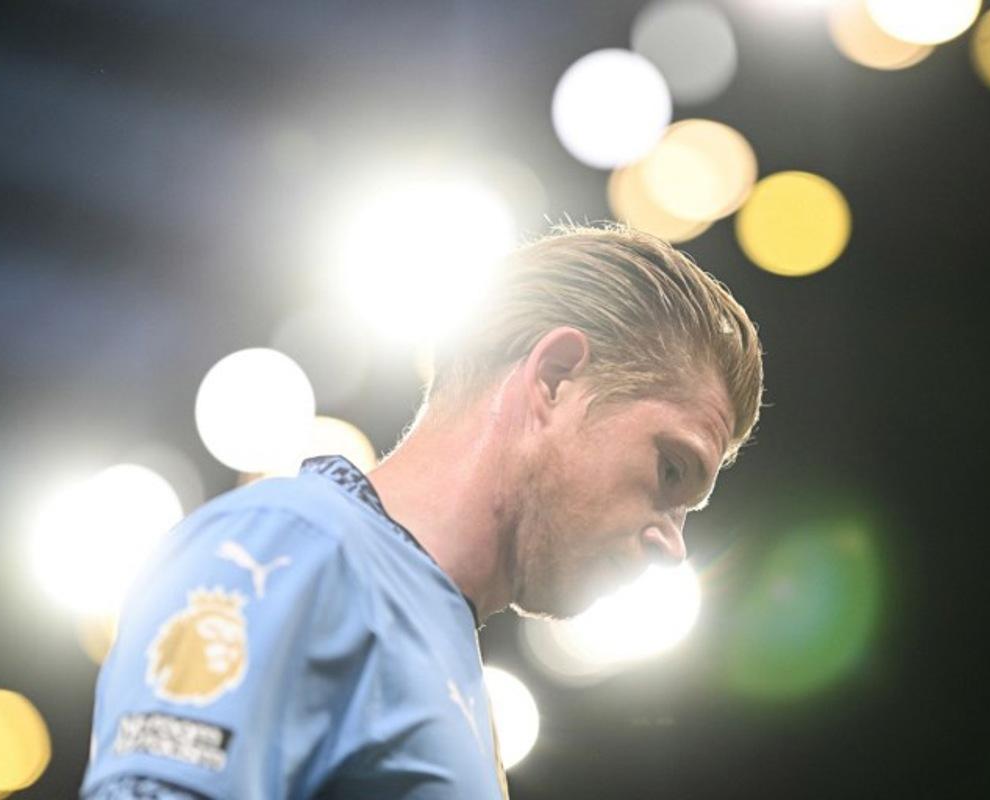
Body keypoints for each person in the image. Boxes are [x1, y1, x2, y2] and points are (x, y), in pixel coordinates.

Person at [81, 223, 765, 799]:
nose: (673, 545)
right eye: (670, 470)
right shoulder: (285, 547)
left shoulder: (455, 669)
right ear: (555, 379)